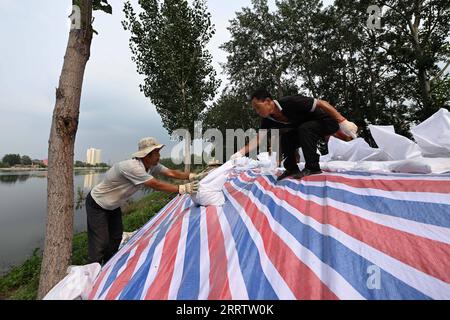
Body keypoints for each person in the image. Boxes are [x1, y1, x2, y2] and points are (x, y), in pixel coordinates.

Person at [85, 137, 206, 265]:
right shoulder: (133, 167)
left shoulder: (151, 166)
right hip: (98, 203)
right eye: (156, 153)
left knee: (115, 238)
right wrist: (181, 188)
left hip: (113, 205)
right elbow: (154, 184)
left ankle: (108, 266)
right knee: (100, 243)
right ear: (147, 155)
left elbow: (170, 173)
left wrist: (192, 176)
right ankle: (92, 272)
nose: (159, 156)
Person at [230, 89, 358, 181]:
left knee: (304, 128)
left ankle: (313, 167)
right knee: (286, 137)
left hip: (326, 122)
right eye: (255, 110)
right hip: (307, 130)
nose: (257, 112)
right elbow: (259, 138)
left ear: (268, 101)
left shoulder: (291, 102)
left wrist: (343, 121)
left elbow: (321, 103)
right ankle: (291, 169)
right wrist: (240, 153)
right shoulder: (268, 120)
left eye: (258, 107)